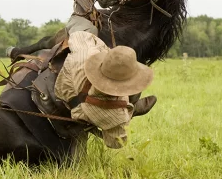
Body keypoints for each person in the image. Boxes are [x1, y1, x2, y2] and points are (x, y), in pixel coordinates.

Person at [54, 13, 156, 148]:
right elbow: (115, 144)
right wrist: (124, 114)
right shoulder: (117, 117)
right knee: (125, 111)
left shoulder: (83, 55)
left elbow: (79, 36)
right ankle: (132, 109)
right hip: (90, 112)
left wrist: (100, 47)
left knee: (82, 26)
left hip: (65, 90)